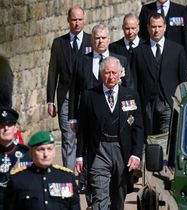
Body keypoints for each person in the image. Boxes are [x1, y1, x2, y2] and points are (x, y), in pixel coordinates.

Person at [76, 56, 144, 210]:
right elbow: (83, 131)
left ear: (120, 74)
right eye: (107, 73)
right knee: (100, 197)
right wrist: (79, 156)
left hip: (122, 151)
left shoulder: (131, 95)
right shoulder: (89, 96)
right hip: (99, 150)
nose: (111, 76)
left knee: (118, 197)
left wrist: (136, 153)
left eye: (114, 73)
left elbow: (138, 128)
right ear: (101, 74)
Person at [46, 6, 91, 171]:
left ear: (84, 20)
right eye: (74, 19)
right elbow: (52, 73)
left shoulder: (91, 41)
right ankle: (69, 175)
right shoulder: (59, 43)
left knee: (86, 136)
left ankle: (86, 176)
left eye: (80, 19)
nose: (77, 23)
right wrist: (50, 101)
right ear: (68, 20)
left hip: (86, 97)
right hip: (65, 96)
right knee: (68, 137)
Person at [133, 13, 187, 136]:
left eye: (159, 26)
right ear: (148, 28)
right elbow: (134, 80)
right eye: (153, 26)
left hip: (168, 102)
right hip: (147, 104)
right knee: (149, 137)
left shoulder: (177, 50)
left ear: (165, 27)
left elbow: (184, 80)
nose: (156, 30)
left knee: (166, 137)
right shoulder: (139, 51)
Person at [69, 23, 132, 125]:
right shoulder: (81, 61)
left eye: (103, 37)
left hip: (115, 116)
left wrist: (129, 114)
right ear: (92, 40)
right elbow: (74, 90)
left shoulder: (121, 60)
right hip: (87, 116)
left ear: (109, 39)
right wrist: (72, 118)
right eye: (97, 38)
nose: (100, 41)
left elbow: (129, 88)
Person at [4, 131, 79, 210]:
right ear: (31, 153)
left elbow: (75, 206)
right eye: (41, 150)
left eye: (49, 149)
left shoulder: (67, 177)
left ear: (54, 152)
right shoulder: (18, 179)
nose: (46, 154)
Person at [139, 0, 187, 65]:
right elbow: (141, 34)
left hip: (174, 56)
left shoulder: (180, 10)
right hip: (152, 56)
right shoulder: (146, 9)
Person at [0, 108, 31, 210]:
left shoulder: (26, 154)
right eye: (2, 125)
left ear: (15, 128)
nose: (6, 128)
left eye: (10, 125)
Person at [109, 13, 143, 88]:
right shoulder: (113, 48)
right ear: (123, 27)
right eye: (127, 28)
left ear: (138, 28)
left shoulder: (147, 47)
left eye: (133, 28)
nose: (130, 32)